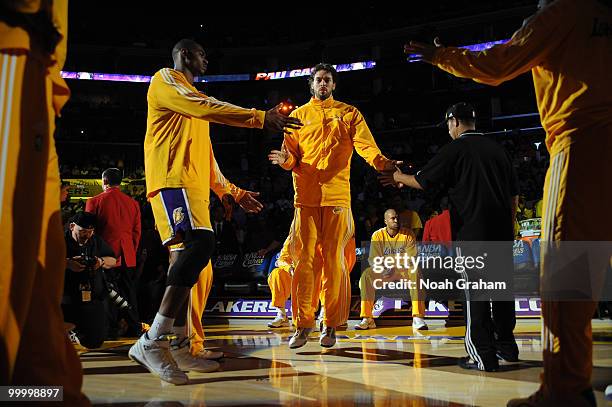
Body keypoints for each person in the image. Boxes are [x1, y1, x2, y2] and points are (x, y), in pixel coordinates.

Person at [405, 1, 612, 405]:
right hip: (503, 228)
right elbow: (516, 194)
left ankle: (564, 390)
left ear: (452, 123)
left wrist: (438, 55)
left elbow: (499, 63)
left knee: (566, 273)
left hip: (583, 143)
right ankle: (512, 350)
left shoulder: (561, 13)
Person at [128, 38, 302, 385]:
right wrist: (257, 118)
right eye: (203, 54)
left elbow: (207, 160)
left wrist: (233, 192)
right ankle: (152, 340)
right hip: (171, 181)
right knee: (199, 247)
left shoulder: (194, 104)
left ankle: (179, 344)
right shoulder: (166, 80)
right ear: (185, 54)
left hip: (191, 187)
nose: (207, 59)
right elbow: (206, 106)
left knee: (191, 265)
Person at [380, 102, 520, 372]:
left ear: (454, 122)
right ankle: (507, 347)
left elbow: (423, 181)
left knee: (476, 294)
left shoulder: (456, 148)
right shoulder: (499, 150)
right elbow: (514, 194)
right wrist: (509, 226)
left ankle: (482, 356)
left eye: (447, 125)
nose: (448, 129)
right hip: (501, 234)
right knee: (502, 294)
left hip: (473, 235)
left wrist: (398, 176)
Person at [268, 63, 399, 348]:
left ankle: (330, 324)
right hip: (305, 200)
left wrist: (384, 164)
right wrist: (284, 161)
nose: (323, 83)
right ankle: (303, 325)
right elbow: (291, 157)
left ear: (334, 84)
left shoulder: (349, 113)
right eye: (318, 79)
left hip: (337, 198)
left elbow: (367, 148)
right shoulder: (298, 116)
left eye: (327, 79)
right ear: (312, 85)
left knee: (335, 263)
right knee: (304, 263)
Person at [0, 2, 90, 404]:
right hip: (14, 47)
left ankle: (38, 393)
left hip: (37, 68)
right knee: (9, 256)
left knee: (39, 271)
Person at [86, 168, 142, 336]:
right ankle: (134, 326)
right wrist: (132, 251)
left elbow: (89, 232)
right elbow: (136, 232)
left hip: (104, 255)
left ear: (104, 181)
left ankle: (110, 328)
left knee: (106, 292)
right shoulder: (133, 203)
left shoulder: (94, 201)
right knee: (128, 291)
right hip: (127, 255)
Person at [356, 209, 428, 330]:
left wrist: (392, 264)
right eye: (392, 218)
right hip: (385, 271)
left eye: (397, 218)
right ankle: (367, 318)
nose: (396, 220)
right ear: (385, 221)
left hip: (402, 270)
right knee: (366, 275)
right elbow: (373, 259)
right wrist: (383, 268)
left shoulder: (408, 234)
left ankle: (417, 317)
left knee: (415, 272)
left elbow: (411, 258)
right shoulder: (377, 235)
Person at [62, 212, 117, 348]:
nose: (87, 236)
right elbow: (45, 260)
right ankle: (69, 329)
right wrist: (67, 263)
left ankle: (79, 330)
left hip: (92, 296)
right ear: (72, 226)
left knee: (94, 341)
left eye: (90, 232)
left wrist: (100, 261)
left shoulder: (96, 241)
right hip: (66, 297)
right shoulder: (60, 240)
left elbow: (113, 260)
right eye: (83, 231)